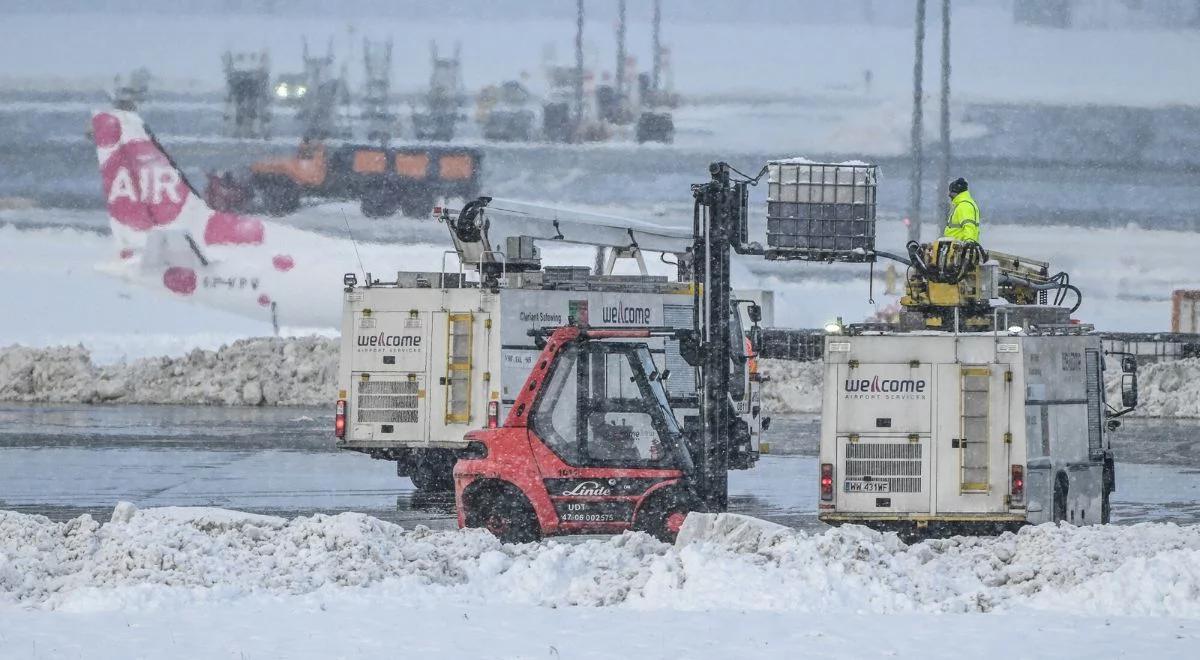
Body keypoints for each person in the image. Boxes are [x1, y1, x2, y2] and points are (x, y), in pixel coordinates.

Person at [943, 177, 980, 243]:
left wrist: (969, 243)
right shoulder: (961, 204)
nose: (949, 194)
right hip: (956, 248)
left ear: (956, 192)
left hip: (960, 249)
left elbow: (969, 226)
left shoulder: (964, 205)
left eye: (951, 191)